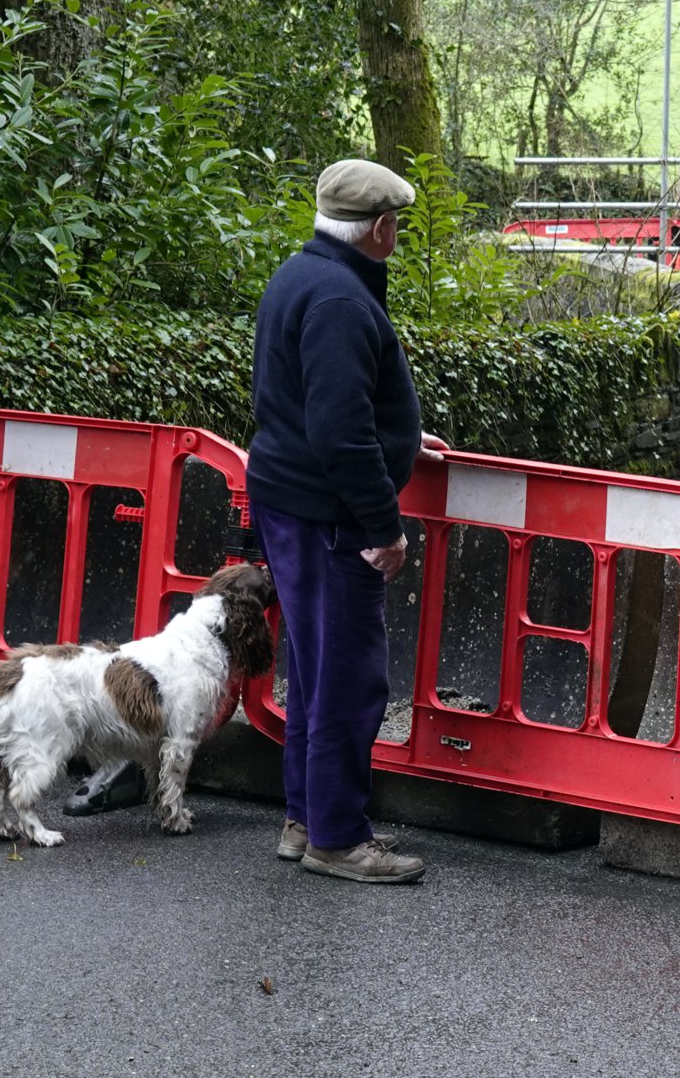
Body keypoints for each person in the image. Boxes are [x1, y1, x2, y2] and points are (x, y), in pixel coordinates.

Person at [246, 159, 446, 884]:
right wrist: (383, 527)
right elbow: (337, 429)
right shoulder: (340, 299)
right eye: (400, 225)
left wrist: (400, 439)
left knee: (313, 666)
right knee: (349, 677)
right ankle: (336, 836)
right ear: (383, 229)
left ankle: (306, 820)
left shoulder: (300, 274)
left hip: (290, 496)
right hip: (329, 515)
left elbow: (311, 400)